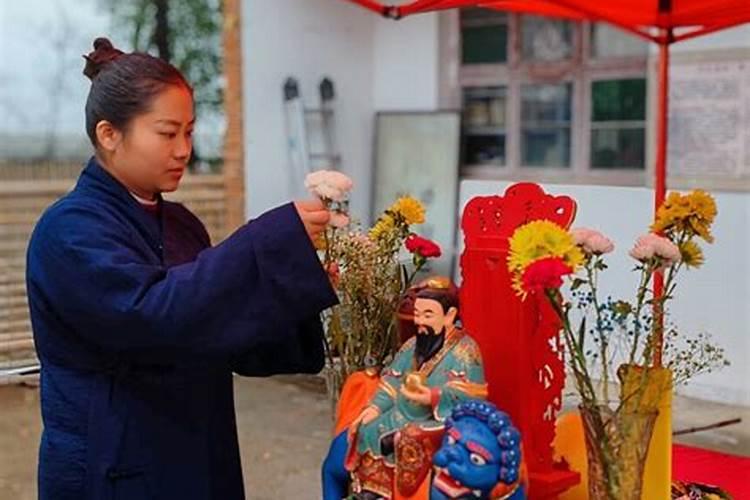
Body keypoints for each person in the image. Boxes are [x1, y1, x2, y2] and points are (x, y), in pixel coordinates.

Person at [26, 38, 338, 500]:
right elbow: (152, 314)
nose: (184, 149)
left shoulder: (181, 223)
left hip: (197, 450)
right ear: (110, 134)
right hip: (114, 463)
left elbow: (220, 326)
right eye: (167, 133)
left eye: (190, 132)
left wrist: (304, 280)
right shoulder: (69, 230)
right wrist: (270, 243)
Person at [322, 277, 488, 499]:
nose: (420, 321)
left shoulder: (465, 351)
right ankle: (368, 489)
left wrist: (433, 396)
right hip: (397, 415)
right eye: (418, 314)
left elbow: (474, 396)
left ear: (449, 316)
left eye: (428, 315)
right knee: (362, 431)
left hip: (436, 424)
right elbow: (391, 381)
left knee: (403, 441)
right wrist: (375, 409)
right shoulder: (412, 345)